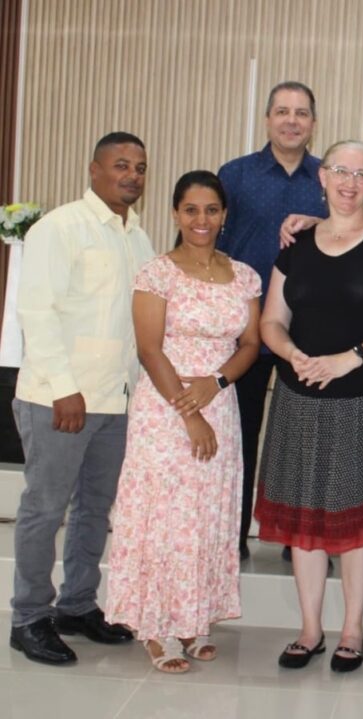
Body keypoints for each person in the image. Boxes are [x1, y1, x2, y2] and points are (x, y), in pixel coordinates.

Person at [256, 140, 363, 674]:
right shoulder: (296, 245)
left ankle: (352, 628)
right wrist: (293, 354)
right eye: (341, 171)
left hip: (362, 399)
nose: (351, 182)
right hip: (299, 398)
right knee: (304, 524)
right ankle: (309, 629)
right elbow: (271, 321)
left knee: (354, 528)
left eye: (362, 174)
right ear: (322, 177)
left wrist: (348, 359)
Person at [105, 171, 261, 673]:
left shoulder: (244, 276)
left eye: (211, 209)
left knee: (206, 513)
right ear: (175, 214)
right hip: (165, 408)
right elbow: (149, 349)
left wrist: (214, 385)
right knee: (166, 514)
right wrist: (190, 415)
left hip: (219, 400)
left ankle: (194, 618)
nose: (201, 219)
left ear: (224, 215)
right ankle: (156, 627)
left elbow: (252, 345)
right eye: (191, 210)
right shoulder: (157, 273)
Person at [10, 132, 153, 665]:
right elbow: (38, 312)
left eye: (139, 167)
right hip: (59, 398)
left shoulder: (137, 238)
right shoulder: (60, 228)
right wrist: (64, 388)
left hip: (115, 401)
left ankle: (76, 605)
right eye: (121, 165)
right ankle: (28, 617)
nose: (131, 175)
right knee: (44, 510)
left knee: (95, 509)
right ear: (93, 169)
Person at [217, 81, 327, 560]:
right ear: (267, 119)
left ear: (313, 123)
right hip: (244, 329)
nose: (291, 120)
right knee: (238, 437)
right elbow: (211, 246)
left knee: (303, 442)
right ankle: (231, 537)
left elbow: (355, 236)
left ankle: (296, 540)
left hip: (309, 332)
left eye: (301, 113)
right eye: (282, 111)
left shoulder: (328, 177)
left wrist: (319, 224)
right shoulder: (235, 175)